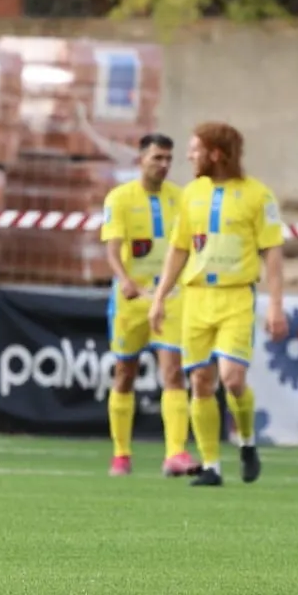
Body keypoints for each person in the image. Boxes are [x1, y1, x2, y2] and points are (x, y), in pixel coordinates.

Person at [149, 122, 287, 488]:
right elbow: (178, 249)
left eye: (195, 150)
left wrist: (276, 305)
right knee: (200, 380)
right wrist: (160, 297)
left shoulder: (258, 196)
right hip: (196, 298)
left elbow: (273, 254)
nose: (188, 156)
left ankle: (247, 442)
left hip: (236, 295)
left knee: (232, 378)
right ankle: (212, 465)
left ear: (216, 154)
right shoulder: (191, 194)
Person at [101, 132, 197, 478]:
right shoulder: (119, 198)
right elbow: (112, 248)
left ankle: (175, 453)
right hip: (131, 301)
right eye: (157, 157)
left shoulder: (181, 198)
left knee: (173, 371)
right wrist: (124, 279)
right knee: (124, 374)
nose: (164, 165)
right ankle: (121, 454)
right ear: (141, 159)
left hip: (170, 298)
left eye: (169, 159)